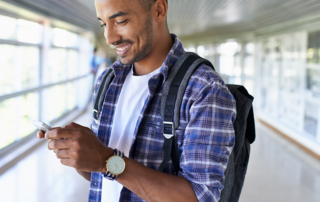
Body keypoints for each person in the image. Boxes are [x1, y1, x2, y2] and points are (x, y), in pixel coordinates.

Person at [37, 0, 236, 202]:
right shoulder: (108, 80)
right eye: (104, 24)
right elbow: (105, 178)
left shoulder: (203, 89)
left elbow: (200, 197)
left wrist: (106, 160)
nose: (110, 38)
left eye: (121, 21)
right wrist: (82, 155)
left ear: (159, 10)